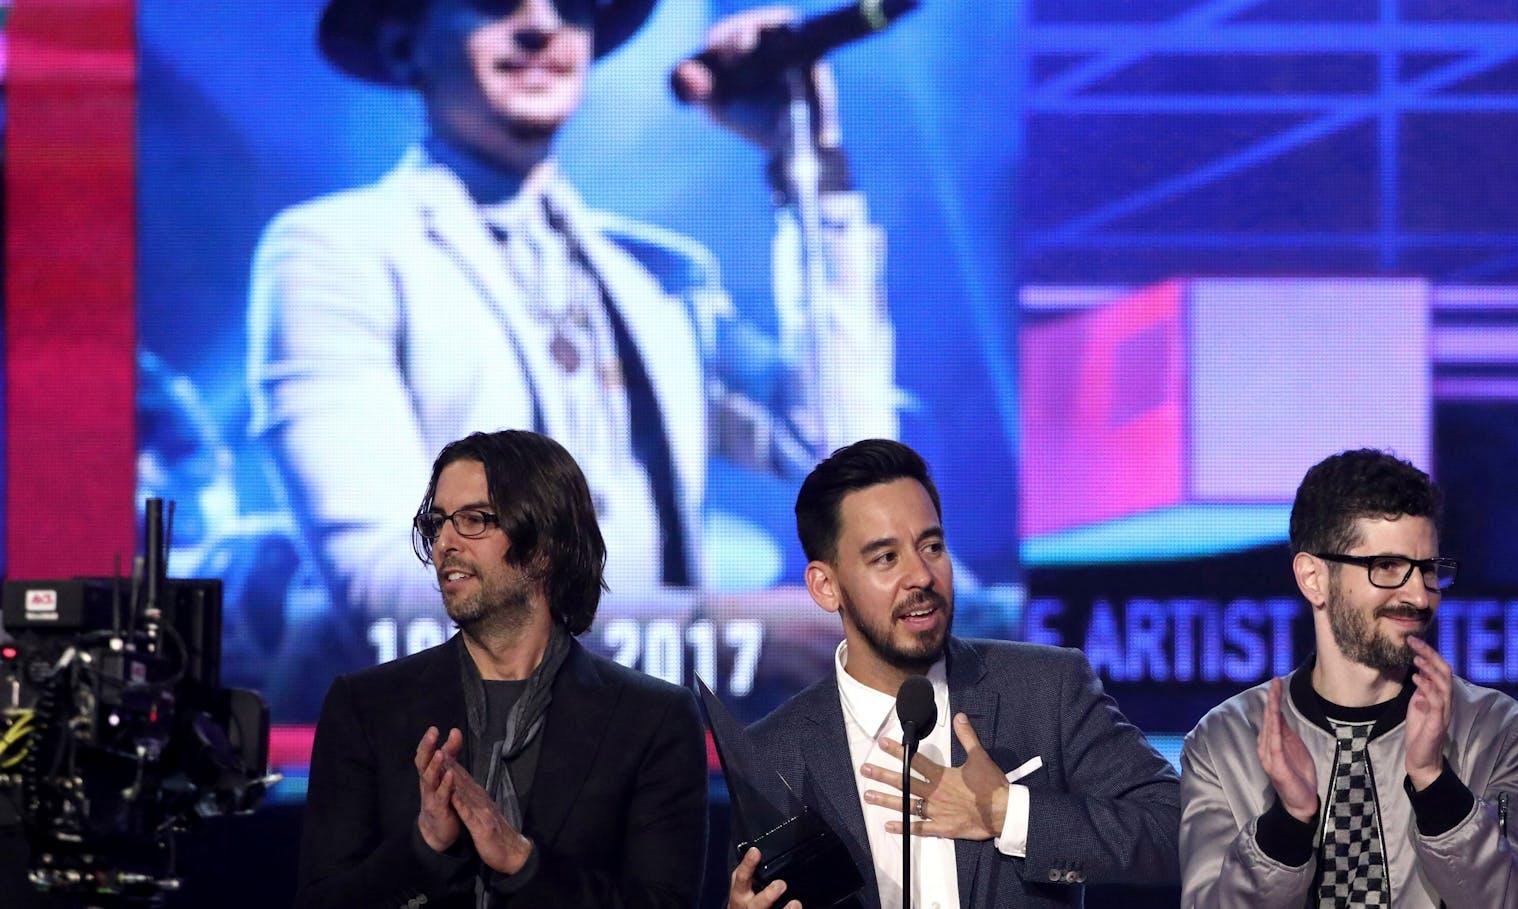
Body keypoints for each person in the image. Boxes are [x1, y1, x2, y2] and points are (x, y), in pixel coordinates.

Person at [248, 0, 897, 625]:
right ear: (402, 42)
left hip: (665, 736)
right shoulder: (337, 252)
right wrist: (719, 630)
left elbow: (839, 451)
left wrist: (808, 163)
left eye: (572, 3)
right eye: (496, 0)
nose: (540, 23)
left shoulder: (656, 275)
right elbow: (385, 589)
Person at [726, 439, 1181, 909]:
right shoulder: (770, 754)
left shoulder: (1046, 689)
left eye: (932, 546)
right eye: (886, 558)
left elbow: (1182, 830)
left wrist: (1010, 813)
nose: (921, 576)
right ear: (826, 586)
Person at [294, 430, 709, 908]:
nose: (444, 542)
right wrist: (424, 844)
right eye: (437, 523)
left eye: (474, 520)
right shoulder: (366, 707)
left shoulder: (652, 720)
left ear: (544, 546)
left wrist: (522, 863)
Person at [1178, 449, 1518, 907]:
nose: (1419, 595)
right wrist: (1288, 824)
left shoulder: (1503, 731)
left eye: (1429, 569)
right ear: (1314, 578)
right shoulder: (1224, 741)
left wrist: (1436, 784)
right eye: (1388, 567)